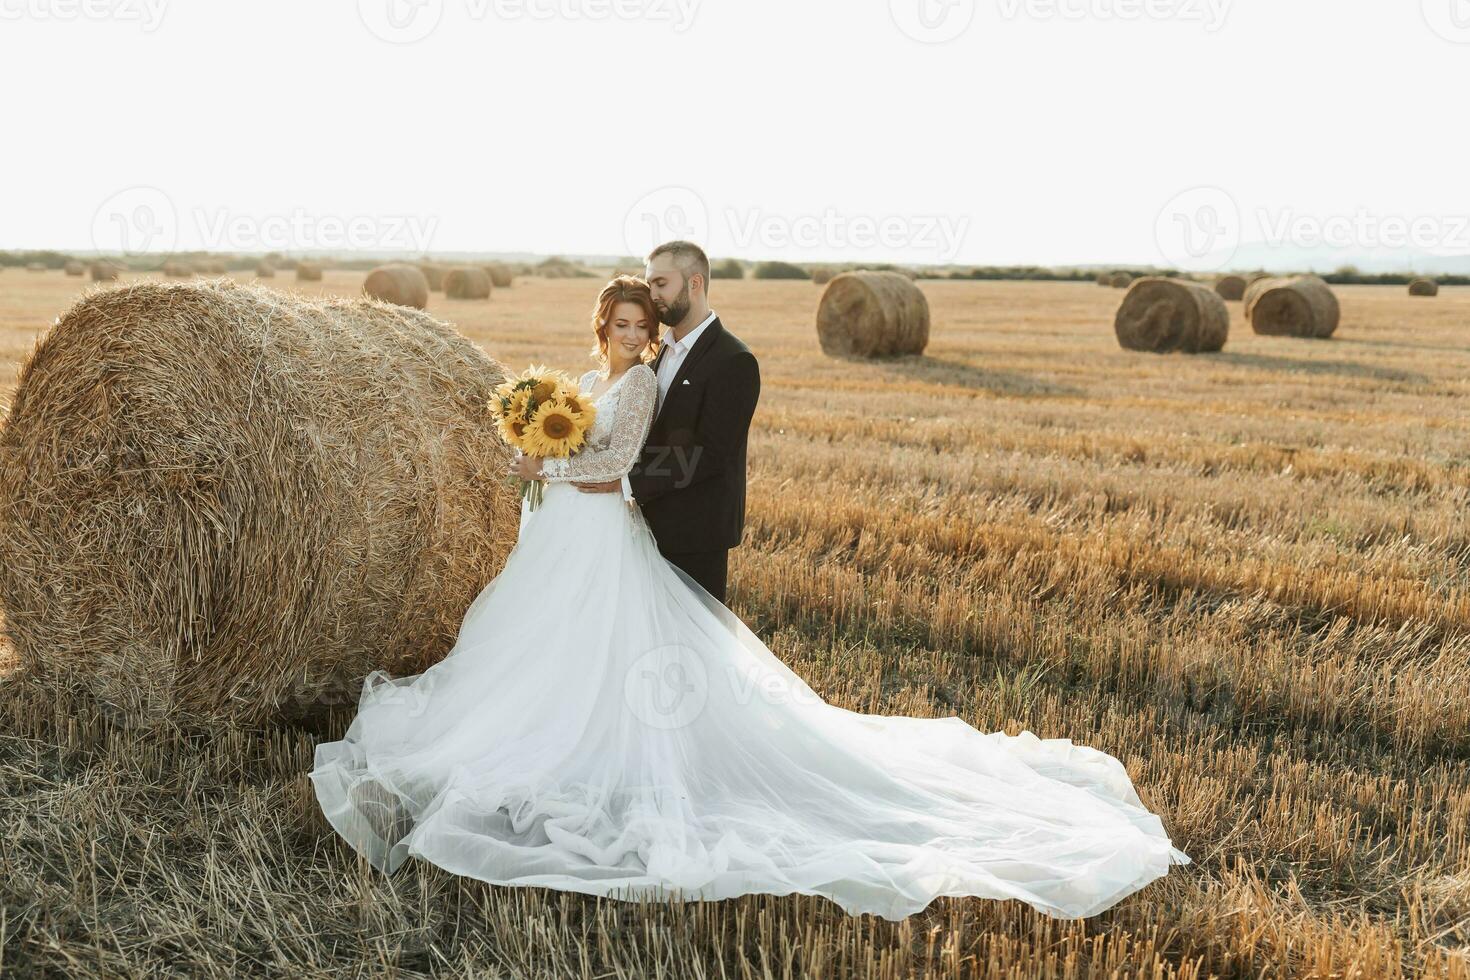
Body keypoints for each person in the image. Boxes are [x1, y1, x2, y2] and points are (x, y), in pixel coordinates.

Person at [308, 269, 1190, 923]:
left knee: (597, 659)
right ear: (599, 327)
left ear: (650, 332)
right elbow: (557, 455)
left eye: (637, 324)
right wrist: (528, 457)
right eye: (615, 323)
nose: (625, 335)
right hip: (556, 540)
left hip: (601, 536)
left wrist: (556, 464)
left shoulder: (646, 385)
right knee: (532, 649)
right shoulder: (580, 385)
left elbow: (615, 468)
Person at [565, 240, 758, 604]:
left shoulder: (733, 360)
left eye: (660, 283)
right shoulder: (661, 352)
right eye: (649, 282)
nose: (651, 294)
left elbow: (711, 454)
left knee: (696, 642)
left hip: (695, 531)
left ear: (695, 283)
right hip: (644, 523)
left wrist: (624, 481)